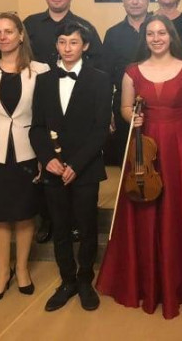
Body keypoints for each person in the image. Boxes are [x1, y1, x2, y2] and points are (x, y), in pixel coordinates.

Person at [97, 16, 182, 319]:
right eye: (151, 33)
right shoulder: (131, 72)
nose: (156, 38)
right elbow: (124, 107)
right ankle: (146, 282)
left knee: (178, 211)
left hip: (178, 146)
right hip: (143, 149)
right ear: (145, 38)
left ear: (171, 36)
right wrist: (132, 117)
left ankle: (178, 283)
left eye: (162, 33)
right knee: (142, 210)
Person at [30, 22, 111, 312]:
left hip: (85, 168)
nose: (67, 47)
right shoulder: (44, 80)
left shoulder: (100, 80)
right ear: (56, 45)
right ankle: (67, 281)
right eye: (62, 42)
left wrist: (76, 164)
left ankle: (85, 279)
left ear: (84, 46)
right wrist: (47, 158)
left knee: (87, 227)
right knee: (60, 227)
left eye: (73, 42)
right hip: (54, 168)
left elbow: (100, 129)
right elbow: (37, 127)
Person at [0, 13, 50, 304]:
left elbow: (45, 117)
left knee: (25, 213)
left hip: (28, 151)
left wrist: (45, 155)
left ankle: (23, 269)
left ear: (21, 35)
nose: (3, 37)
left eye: (9, 31)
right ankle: (3, 273)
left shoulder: (40, 70)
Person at [24, 0, 104, 243]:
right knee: (50, 186)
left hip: (80, 112)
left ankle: (79, 230)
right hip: (44, 102)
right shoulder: (31, 24)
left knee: (84, 209)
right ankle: (49, 222)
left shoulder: (85, 27)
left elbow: (99, 64)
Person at [102, 0, 151, 165]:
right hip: (124, 103)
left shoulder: (159, 29)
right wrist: (107, 110)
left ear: (148, 0)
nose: (135, 1)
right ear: (123, 0)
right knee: (128, 161)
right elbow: (105, 76)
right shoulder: (112, 33)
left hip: (156, 100)